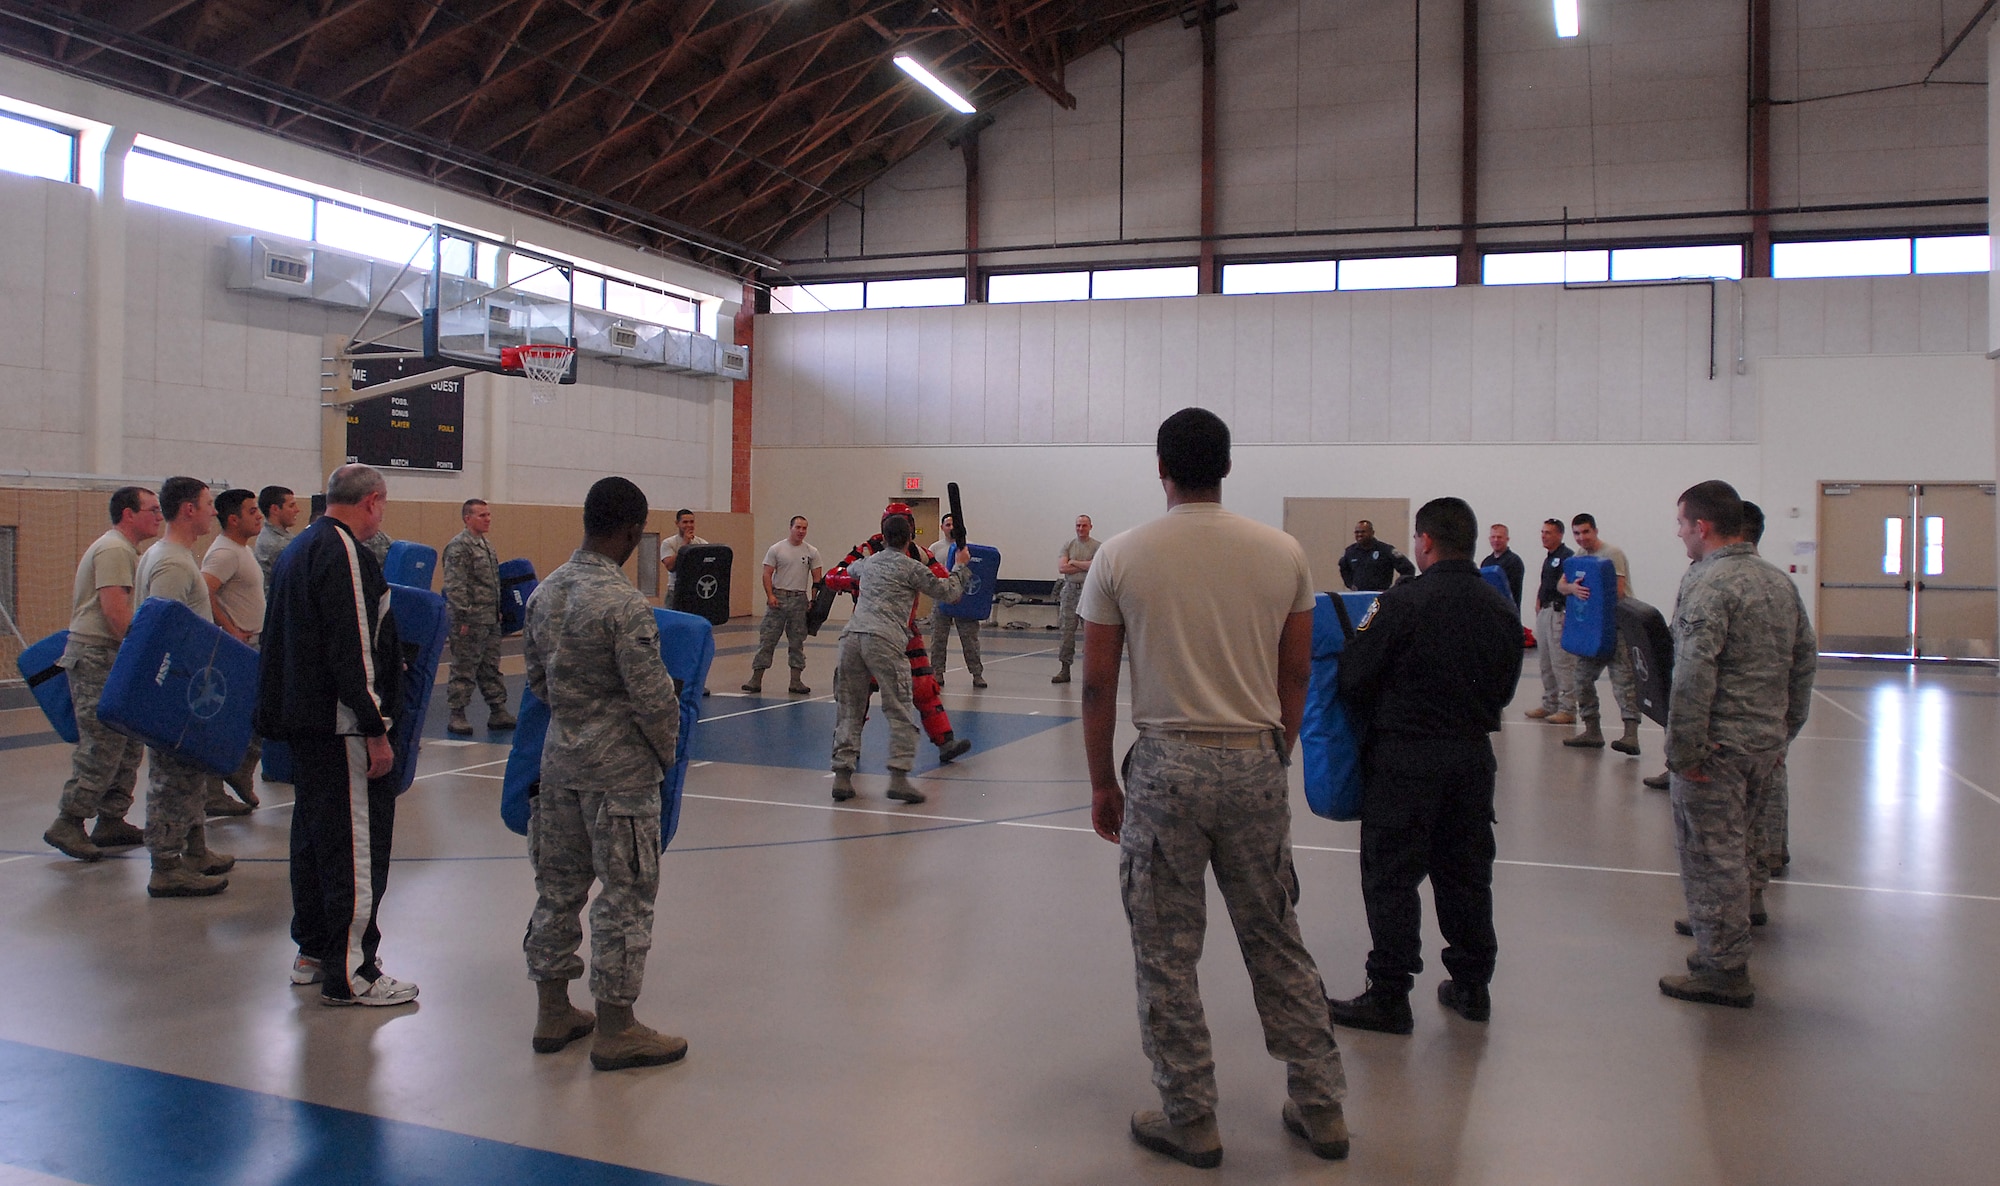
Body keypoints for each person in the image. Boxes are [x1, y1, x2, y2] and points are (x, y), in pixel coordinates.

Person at [1081, 408, 1349, 1169]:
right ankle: (1322, 1106)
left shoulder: (1122, 556)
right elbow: (1295, 670)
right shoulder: (1283, 552)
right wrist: (1275, 750)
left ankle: (1190, 1116)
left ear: (1160, 467)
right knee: (1275, 936)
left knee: (1167, 951)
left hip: (1165, 766)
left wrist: (1104, 780)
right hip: (1257, 757)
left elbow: (1099, 686)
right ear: (1226, 466)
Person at [1326, 497, 1524, 1034]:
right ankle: (1471, 986)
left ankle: (1389, 994)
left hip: (1406, 759)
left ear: (1425, 542)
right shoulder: (1499, 607)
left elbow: (1354, 678)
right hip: (1470, 758)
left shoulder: (1402, 604)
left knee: (1391, 875)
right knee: (1465, 874)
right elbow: (1505, 688)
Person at [523, 476, 689, 1070]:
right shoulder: (623, 604)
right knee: (625, 896)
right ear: (632, 531)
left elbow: (538, 685)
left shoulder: (544, 594)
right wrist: (666, 758)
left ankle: (553, 1011)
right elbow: (655, 699)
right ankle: (617, 1027)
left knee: (557, 890)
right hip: (618, 778)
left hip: (557, 767)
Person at [258, 464, 418, 1007]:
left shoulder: (296, 549)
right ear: (372, 501)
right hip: (342, 728)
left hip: (308, 728)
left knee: (313, 839)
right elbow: (352, 649)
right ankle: (354, 973)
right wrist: (375, 727)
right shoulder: (344, 552)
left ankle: (314, 953)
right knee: (354, 848)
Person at [1659, 482, 1815, 1008]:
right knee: (1740, 850)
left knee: (1711, 857)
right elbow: (1805, 659)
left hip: (1717, 749)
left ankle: (1723, 968)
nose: (1679, 532)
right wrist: (1784, 732)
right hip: (1762, 745)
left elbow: (1693, 674)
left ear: (1702, 527)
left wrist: (1684, 753)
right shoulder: (1776, 582)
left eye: (1682, 523)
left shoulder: (1710, 584)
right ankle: (1717, 944)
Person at [41, 486, 161, 862]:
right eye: (152, 509)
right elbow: (114, 612)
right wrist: (142, 655)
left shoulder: (126, 551)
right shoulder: (114, 550)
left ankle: (111, 819)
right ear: (129, 514)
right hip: (98, 657)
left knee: (127, 743)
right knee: (103, 744)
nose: (159, 515)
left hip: (112, 656)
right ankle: (69, 820)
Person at [134, 476, 236, 898]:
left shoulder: (179, 557)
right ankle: (166, 865)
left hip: (190, 688)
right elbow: (165, 634)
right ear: (189, 509)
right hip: (177, 689)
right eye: (208, 504)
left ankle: (194, 850)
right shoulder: (173, 564)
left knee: (191, 773)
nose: (214, 511)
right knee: (172, 778)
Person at [828, 510, 971, 804]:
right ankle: (899, 777)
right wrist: (961, 566)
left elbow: (840, 575)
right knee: (901, 711)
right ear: (909, 536)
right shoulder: (911, 566)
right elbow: (950, 592)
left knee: (849, 710)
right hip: (887, 640)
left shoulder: (866, 562)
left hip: (852, 637)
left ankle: (842, 776)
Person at [200, 488, 266, 815]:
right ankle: (213, 791)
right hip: (235, 650)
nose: (260, 516)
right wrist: (230, 628)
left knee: (258, 715)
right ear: (233, 519)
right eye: (252, 511)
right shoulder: (224, 552)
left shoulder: (241, 550)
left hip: (253, 647)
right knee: (223, 720)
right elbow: (204, 590)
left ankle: (240, 770)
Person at [1558, 513, 1642, 754]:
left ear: (1595, 530)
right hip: (1593, 629)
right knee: (1581, 679)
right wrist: (1572, 588)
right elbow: (1561, 585)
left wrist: (1590, 594)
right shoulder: (1579, 557)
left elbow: (1616, 590)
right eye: (1576, 533)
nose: (1581, 537)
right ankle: (1592, 729)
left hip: (1617, 626)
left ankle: (1631, 735)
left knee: (1623, 682)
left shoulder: (1611, 554)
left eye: (1585, 532)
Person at [442, 498, 517, 735]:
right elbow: (455, 586)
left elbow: (492, 583)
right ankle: (457, 713)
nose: (488, 519)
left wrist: (498, 611)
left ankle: (498, 710)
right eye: (482, 515)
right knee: (464, 667)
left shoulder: (486, 545)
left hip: (490, 619)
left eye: (489, 514)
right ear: (468, 518)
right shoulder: (459, 547)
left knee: (491, 667)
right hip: (470, 620)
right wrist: (463, 618)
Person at [743, 515, 821, 695]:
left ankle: (796, 680)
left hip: (799, 599)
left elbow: (817, 578)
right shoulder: (776, 549)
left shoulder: (811, 552)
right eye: (798, 527)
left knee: (797, 642)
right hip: (778, 598)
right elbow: (767, 574)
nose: (801, 531)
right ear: (791, 528)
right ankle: (756, 679)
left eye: (804, 528)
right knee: (768, 639)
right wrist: (770, 595)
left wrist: (813, 600)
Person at [1524, 519, 1578, 725]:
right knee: (1545, 662)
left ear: (1559, 535)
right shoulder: (1549, 558)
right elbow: (1545, 584)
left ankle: (1568, 708)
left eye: (1548, 532)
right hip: (1545, 612)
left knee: (1561, 662)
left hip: (1559, 613)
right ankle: (1550, 703)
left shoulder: (1567, 557)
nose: (1543, 536)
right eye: (1542, 532)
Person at [925, 513, 986, 689]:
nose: (951, 528)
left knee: (970, 639)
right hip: (941, 597)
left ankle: (977, 674)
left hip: (963, 598)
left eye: (954, 524)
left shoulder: (968, 548)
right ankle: (937, 672)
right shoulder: (935, 549)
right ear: (942, 527)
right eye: (948, 524)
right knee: (938, 637)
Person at [1052, 513, 1099, 684]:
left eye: (1084, 525)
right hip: (1070, 592)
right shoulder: (1068, 545)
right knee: (1066, 631)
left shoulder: (1097, 547)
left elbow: (1095, 566)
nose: (1081, 529)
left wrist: (1074, 562)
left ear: (1090, 527)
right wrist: (1082, 565)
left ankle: (1092, 672)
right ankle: (1065, 669)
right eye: (1078, 525)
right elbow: (1062, 568)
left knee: (1091, 633)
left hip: (1089, 592)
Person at [1338, 520, 1415, 592]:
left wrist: (1396, 588)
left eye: (1363, 532)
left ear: (1372, 533)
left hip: (1381, 596)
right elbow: (1344, 569)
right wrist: (1351, 585)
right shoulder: (1350, 552)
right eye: (1357, 532)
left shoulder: (1385, 550)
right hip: (1359, 596)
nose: (1359, 535)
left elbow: (1408, 569)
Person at [254, 485, 299, 593]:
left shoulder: (281, 536)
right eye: (291, 505)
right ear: (275, 509)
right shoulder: (276, 544)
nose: (297, 510)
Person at [658, 509, 708, 601]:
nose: (689, 525)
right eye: (685, 522)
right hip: (675, 590)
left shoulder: (702, 543)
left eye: (691, 522)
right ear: (677, 523)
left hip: (695, 590)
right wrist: (685, 544)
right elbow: (670, 566)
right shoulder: (668, 543)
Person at [1479, 523, 1526, 611]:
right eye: (1493, 537)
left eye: (1499, 537)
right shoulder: (1486, 562)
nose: (1496, 540)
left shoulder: (1514, 561)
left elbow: (1511, 590)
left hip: (1508, 612)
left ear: (1507, 539)